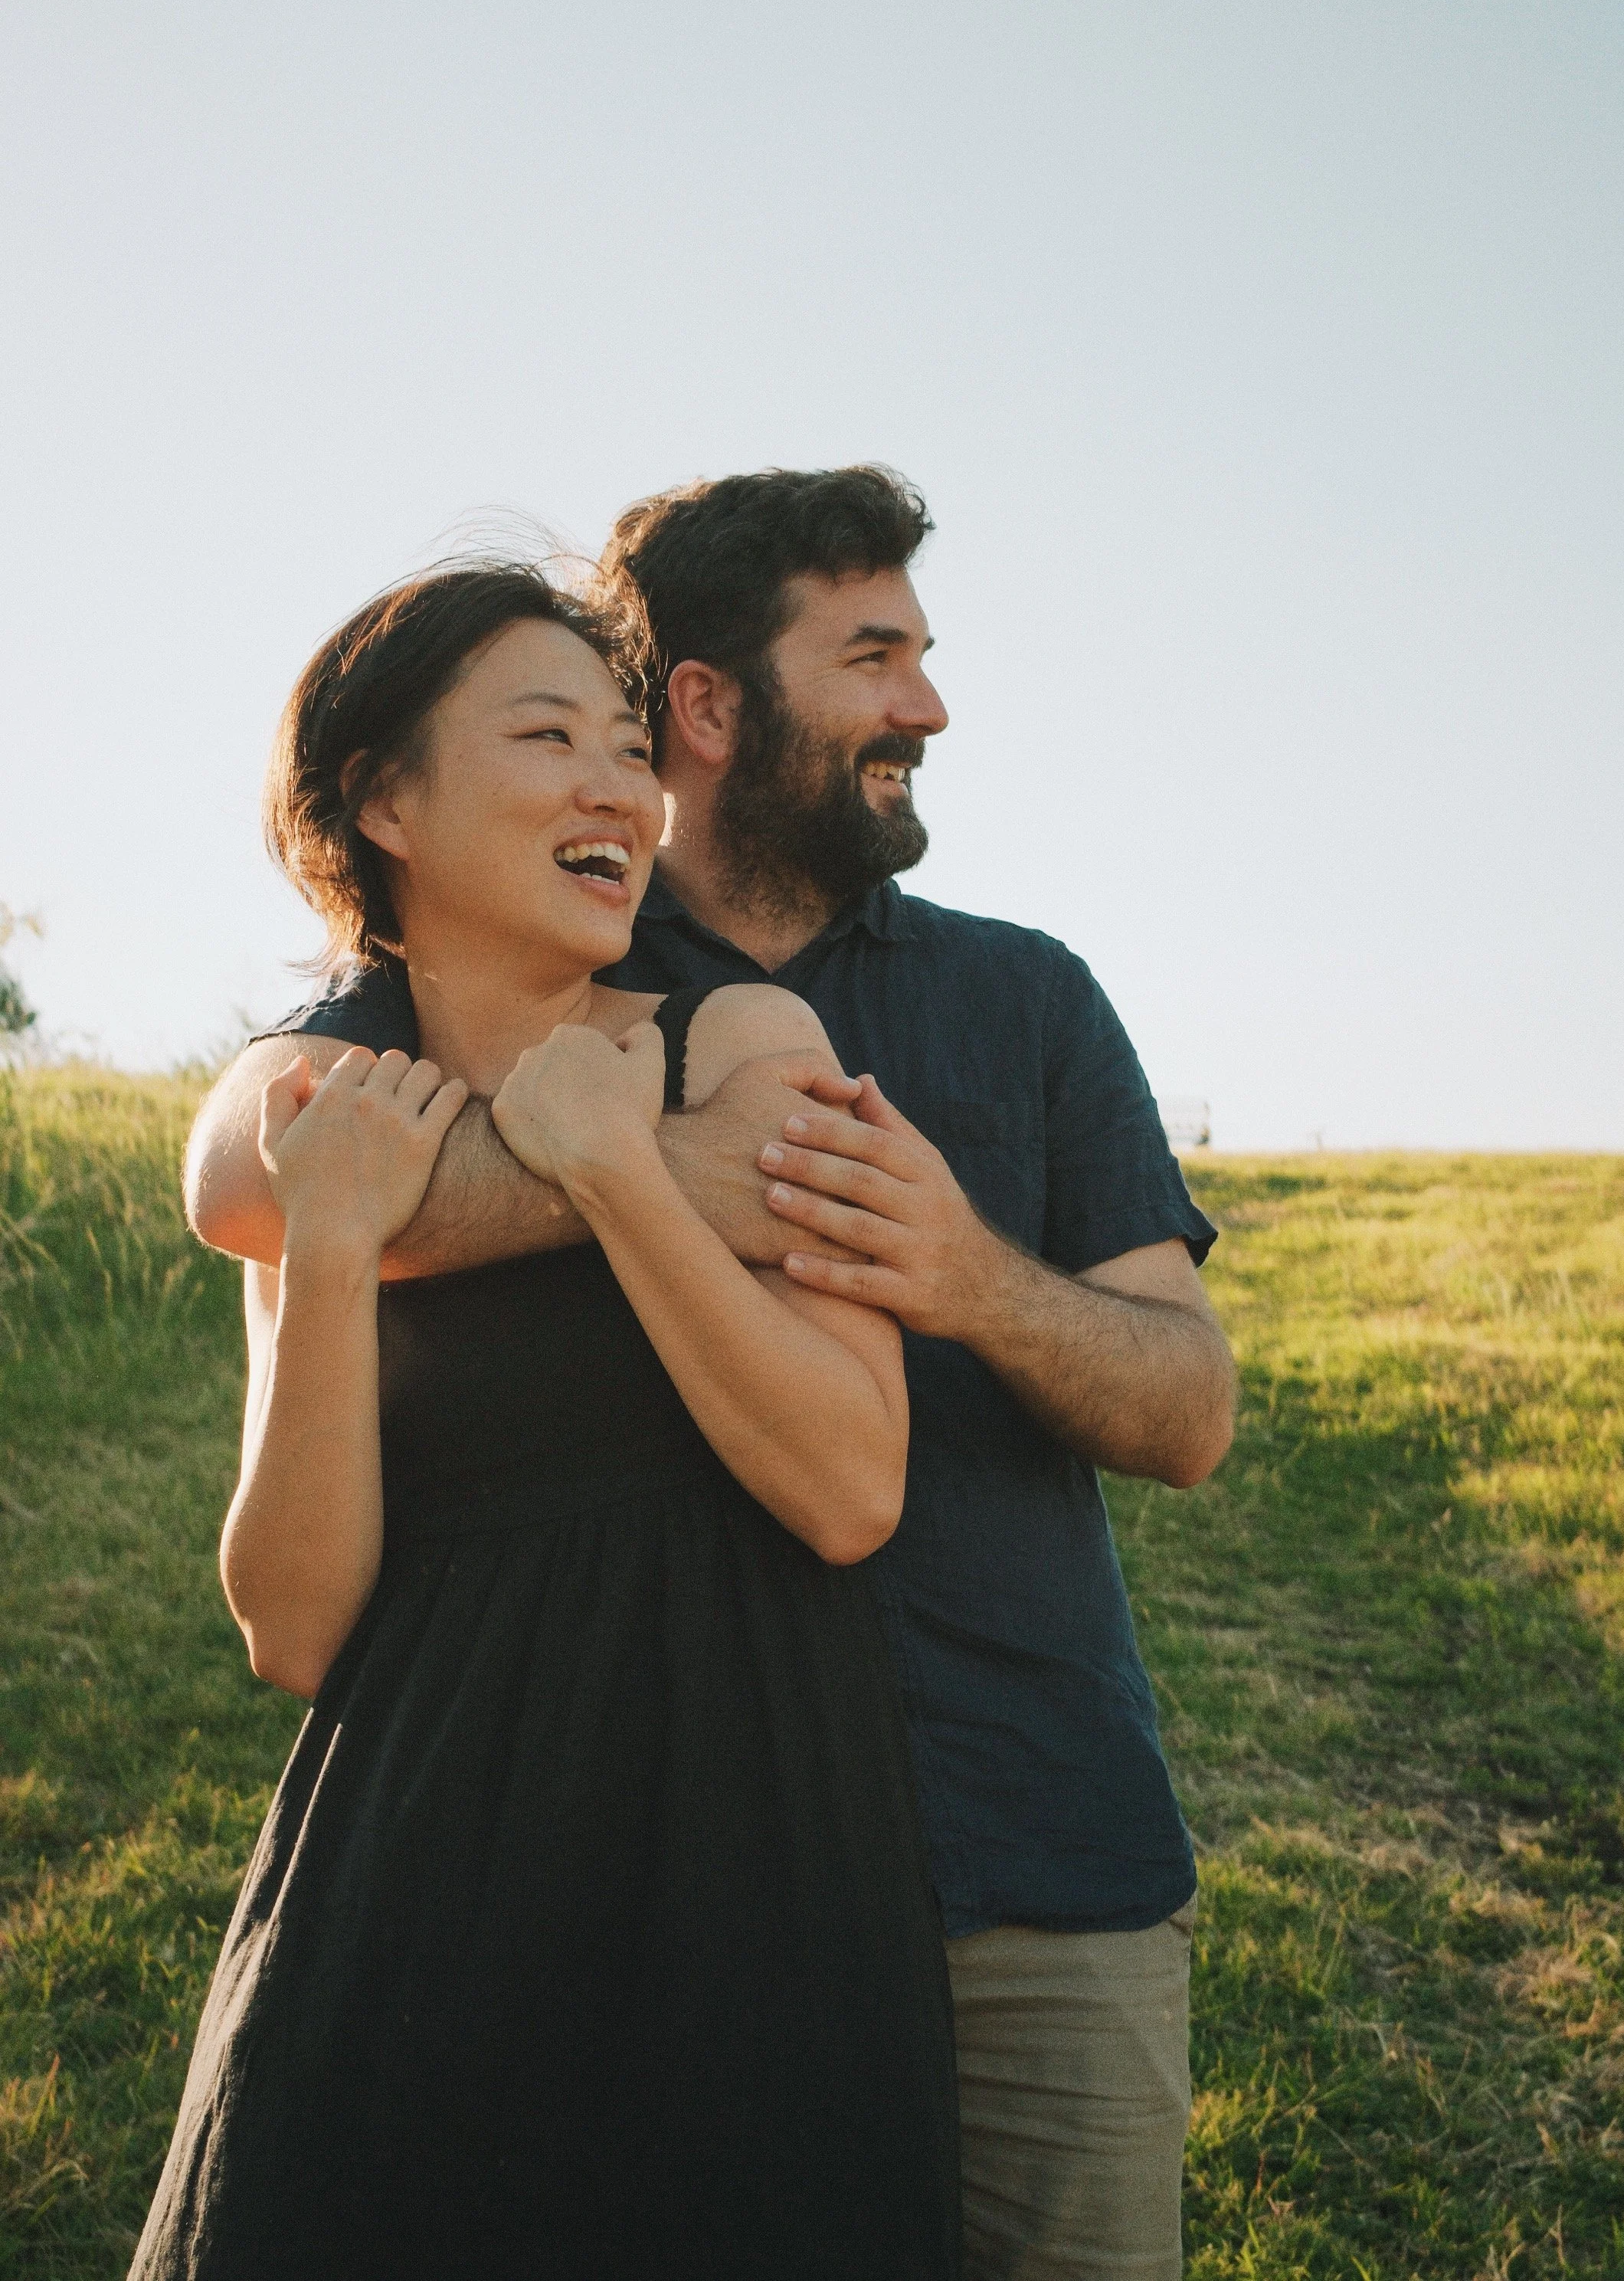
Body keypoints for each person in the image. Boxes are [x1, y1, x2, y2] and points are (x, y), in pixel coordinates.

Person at [189, 467, 1238, 2281]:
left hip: (1012, 1850)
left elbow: (1185, 1410)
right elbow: (246, 1170)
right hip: (540, 1863)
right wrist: (571, 1169)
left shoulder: (1011, 1001)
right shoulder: (511, 990)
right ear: (709, 704)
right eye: (875, 654)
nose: (925, 703)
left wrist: (964, 1276)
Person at [136, 563, 961, 2280]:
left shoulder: (743, 1030)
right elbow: (294, 1627)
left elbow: (848, 1484)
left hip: (744, 1854)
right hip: (414, 1865)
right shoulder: (333, 1121)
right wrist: (345, 1245)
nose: (618, 786)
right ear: (383, 800)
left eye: (623, 745)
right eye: (543, 736)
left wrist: (612, 1168)